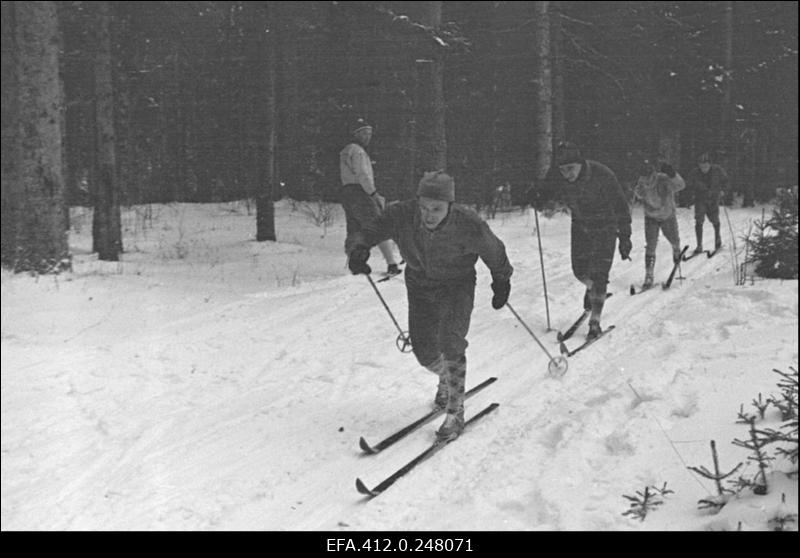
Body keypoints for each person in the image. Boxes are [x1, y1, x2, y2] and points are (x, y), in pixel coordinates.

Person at [346, 171, 513, 442]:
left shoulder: (467, 223)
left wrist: (501, 279)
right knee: (424, 352)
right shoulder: (401, 214)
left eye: (436, 208)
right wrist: (358, 248)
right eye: (424, 207)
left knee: (450, 340)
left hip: (456, 285)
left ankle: (455, 411)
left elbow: (494, 251)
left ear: (450, 204)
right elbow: (369, 230)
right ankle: (447, 378)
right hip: (419, 284)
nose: (428, 214)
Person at [531, 141, 631, 340]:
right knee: (580, 271)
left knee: (600, 273)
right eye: (562, 170)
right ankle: (592, 288)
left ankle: (595, 321)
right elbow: (545, 194)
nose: (567, 174)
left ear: (580, 163)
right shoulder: (558, 176)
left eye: (570, 169)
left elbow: (621, 205)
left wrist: (625, 236)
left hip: (606, 226)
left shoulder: (602, 175)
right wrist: (536, 196)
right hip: (581, 226)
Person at [339, 117, 401, 276]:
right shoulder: (358, 151)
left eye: (370, 133)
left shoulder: (345, 150)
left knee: (354, 228)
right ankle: (391, 264)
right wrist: (373, 193)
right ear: (356, 134)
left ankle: (354, 264)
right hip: (360, 192)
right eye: (364, 133)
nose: (368, 137)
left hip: (347, 193)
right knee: (377, 226)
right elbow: (363, 175)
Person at [633, 157, 686, 288]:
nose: (646, 181)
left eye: (648, 177)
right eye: (643, 177)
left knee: (673, 239)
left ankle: (676, 251)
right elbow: (638, 194)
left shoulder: (663, 179)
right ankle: (649, 274)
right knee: (650, 245)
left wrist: (673, 174)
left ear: (653, 173)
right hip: (651, 217)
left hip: (667, 215)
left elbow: (681, 185)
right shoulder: (641, 183)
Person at [685, 152, 728, 255]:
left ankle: (717, 239)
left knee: (714, 219)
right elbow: (688, 184)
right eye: (701, 166)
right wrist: (689, 196)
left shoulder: (717, 170)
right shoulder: (694, 173)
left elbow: (726, 181)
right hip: (700, 198)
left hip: (714, 198)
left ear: (710, 164)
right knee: (699, 220)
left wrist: (723, 190)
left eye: (706, 166)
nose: (704, 168)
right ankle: (699, 245)